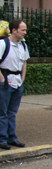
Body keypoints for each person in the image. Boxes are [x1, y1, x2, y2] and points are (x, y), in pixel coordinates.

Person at [0, 20, 29, 149]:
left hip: (17, 82)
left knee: (12, 112)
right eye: (23, 30)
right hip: (5, 81)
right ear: (14, 30)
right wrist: (1, 80)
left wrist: (22, 79)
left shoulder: (23, 46)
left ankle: (11, 137)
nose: (25, 32)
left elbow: (24, 62)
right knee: (3, 112)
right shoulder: (3, 44)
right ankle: (2, 139)